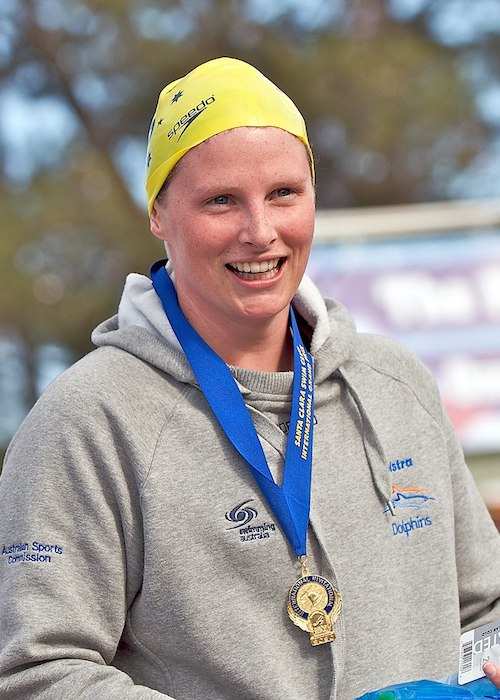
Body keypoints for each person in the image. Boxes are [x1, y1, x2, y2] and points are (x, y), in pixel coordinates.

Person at [0, 56, 500, 700]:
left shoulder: (394, 385)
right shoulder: (88, 420)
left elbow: (483, 611)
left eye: (284, 194)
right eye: (221, 201)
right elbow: (36, 670)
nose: (260, 232)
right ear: (157, 213)